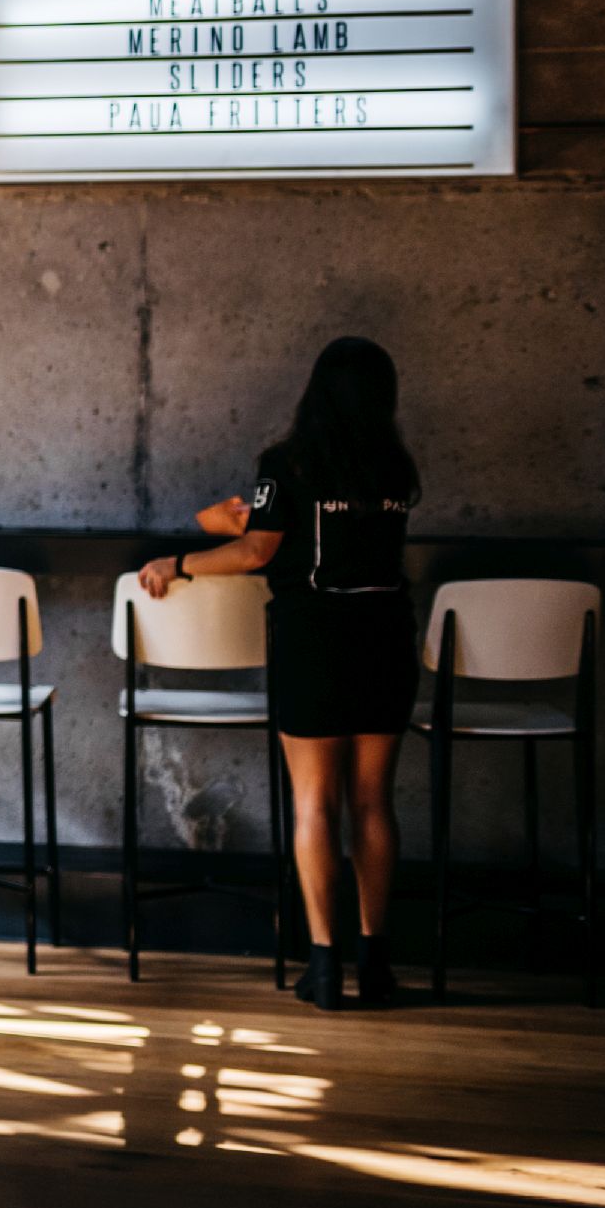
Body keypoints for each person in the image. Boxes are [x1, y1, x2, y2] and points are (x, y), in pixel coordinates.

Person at [140, 337, 418, 1010]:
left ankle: (323, 968)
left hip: (313, 640)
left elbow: (256, 550)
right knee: (373, 803)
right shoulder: (396, 467)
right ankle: (374, 966)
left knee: (314, 804)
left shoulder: (284, 462)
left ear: (313, 391)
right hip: (385, 636)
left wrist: (176, 562)